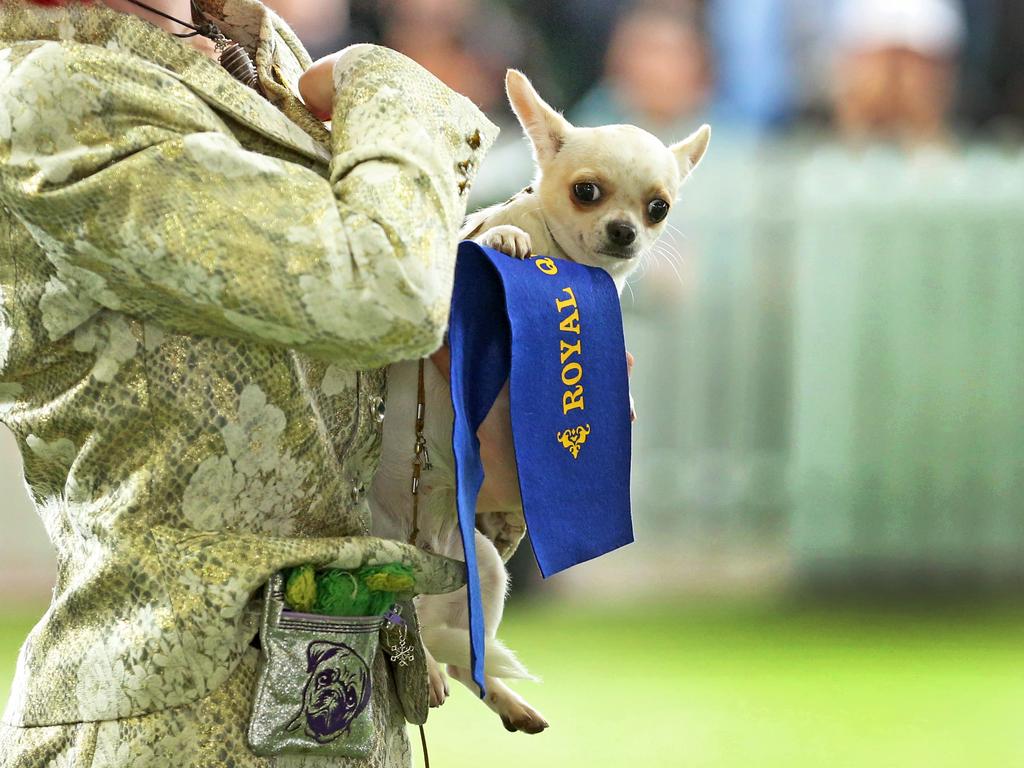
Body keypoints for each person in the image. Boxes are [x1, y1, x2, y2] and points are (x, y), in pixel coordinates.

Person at [0, 0, 497, 765]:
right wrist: (392, 84)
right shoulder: (51, 90)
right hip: (168, 729)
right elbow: (385, 290)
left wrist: (501, 389)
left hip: (344, 711)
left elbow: (360, 375)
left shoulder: (253, 44)